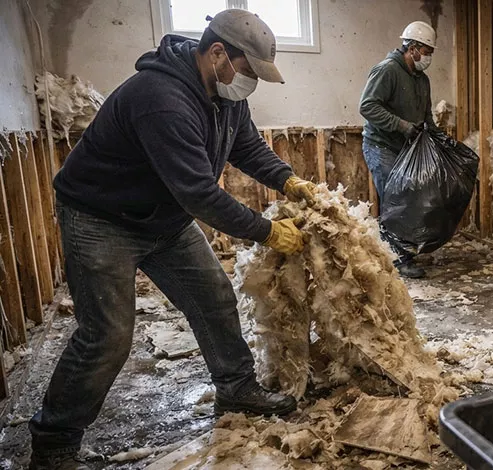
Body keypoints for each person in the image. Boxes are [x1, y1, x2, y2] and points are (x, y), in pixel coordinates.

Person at [28, 10, 318, 470]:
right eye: (248, 72)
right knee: (107, 335)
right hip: (101, 218)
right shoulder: (160, 97)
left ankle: (236, 388)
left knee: (214, 298)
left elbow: (245, 146)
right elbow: (199, 192)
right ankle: (55, 442)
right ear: (218, 53)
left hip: (163, 218)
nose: (251, 85)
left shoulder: (225, 95)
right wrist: (266, 231)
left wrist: (287, 181)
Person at [359, 21, 438, 279]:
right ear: (412, 48)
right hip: (381, 145)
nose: (428, 58)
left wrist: (438, 139)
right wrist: (402, 126)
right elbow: (368, 106)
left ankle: (399, 251)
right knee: (396, 199)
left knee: (412, 197)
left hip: (406, 150)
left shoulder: (422, 80)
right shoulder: (387, 70)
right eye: (426, 52)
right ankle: (398, 258)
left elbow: (426, 116)